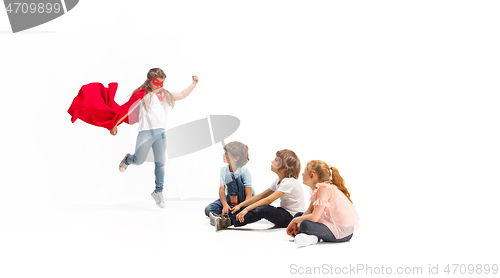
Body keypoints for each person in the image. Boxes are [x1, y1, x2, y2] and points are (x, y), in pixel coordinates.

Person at [116, 68, 199, 208]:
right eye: (156, 82)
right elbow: (127, 110)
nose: (159, 85)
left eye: (162, 82)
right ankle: (127, 159)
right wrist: (115, 124)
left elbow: (182, 94)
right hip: (145, 132)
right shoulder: (141, 95)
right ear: (149, 81)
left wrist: (193, 84)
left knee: (160, 163)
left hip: (160, 133)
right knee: (139, 160)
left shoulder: (164, 94)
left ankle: (158, 191)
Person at [213, 149, 306, 231]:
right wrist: (240, 206)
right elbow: (260, 196)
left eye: (276, 160)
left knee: (263, 209)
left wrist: (247, 209)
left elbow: (267, 200)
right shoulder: (279, 181)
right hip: (283, 212)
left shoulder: (288, 182)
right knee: (256, 206)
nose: (272, 161)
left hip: (291, 218)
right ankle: (226, 216)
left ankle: (228, 221)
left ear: (284, 167)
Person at [287, 160, 360, 247]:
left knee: (305, 225)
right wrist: (296, 223)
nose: (302, 174)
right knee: (298, 215)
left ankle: (314, 238)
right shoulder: (317, 190)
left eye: (304, 171)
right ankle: (310, 236)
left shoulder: (324, 189)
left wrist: (295, 221)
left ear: (312, 175)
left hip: (343, 232)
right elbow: (310, 211)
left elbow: (314, 217)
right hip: (330, 225)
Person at [205, 141, 254, 221]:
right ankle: (231, 210)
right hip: (230, 197)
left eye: (226, 154)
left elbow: (249, 195)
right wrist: (224, 205)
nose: (223, 155)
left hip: (244, 198)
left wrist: (242, 206)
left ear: (235, 158)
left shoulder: (244, 171)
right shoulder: (223, 170)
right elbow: (221, 189)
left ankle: (235, 209)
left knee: (229, 175)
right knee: (208, 209)